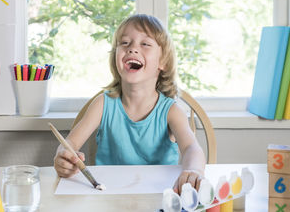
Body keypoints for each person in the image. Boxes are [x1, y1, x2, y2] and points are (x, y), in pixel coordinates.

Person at [53, 14, 206, 194]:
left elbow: (191, 148)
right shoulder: (103, 104)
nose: (132, 48)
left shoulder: (171, 111)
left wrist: (194, 170)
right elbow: (70, 142)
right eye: (124, 43)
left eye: (145, 44)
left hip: (158, 197)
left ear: (162, 61)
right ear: (115, 57)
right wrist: (63, 156)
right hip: (109, 196)